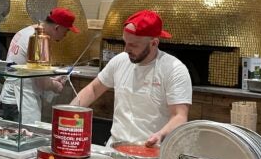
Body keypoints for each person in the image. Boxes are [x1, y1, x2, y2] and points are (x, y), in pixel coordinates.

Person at [71, 9, 192, 147]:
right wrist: (68, 112)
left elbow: (180, 116)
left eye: (133, 45)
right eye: (125, 42)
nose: (126, 49)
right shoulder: (120, 61)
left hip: (152, 151)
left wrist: (161, 134)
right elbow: (93, 89)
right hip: (116, 147)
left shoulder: (174, 69)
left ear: (154, 43)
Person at [0, 8, 80, 124]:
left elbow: (31, 71)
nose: (65, 35)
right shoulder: (38, 41)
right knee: (27, 138)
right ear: (57, 28)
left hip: (10, 99)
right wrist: (55, 86)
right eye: (66, 31)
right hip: (22, 103)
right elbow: (41, 83)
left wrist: (49, 78)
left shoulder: (25, 32)